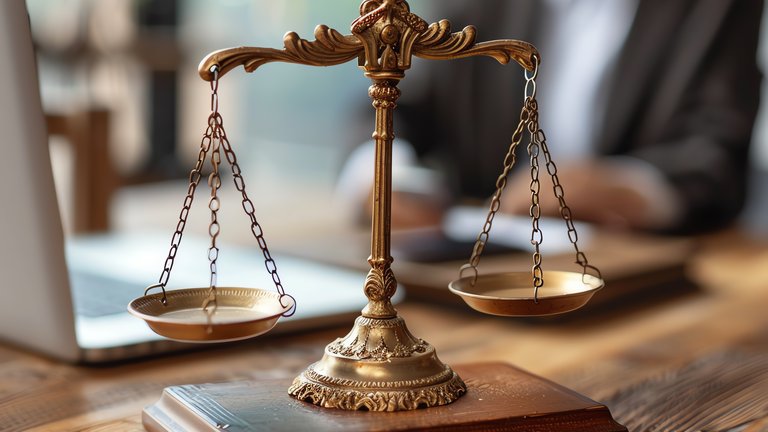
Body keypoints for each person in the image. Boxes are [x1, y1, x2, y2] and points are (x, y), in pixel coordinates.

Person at [338, 0, 764, 234]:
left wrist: (629, 187)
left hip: (645, 271)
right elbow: (394, 101)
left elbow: (716, 154)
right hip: (475, 265)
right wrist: (376, 174)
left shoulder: (713, 9)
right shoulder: (477, 7)